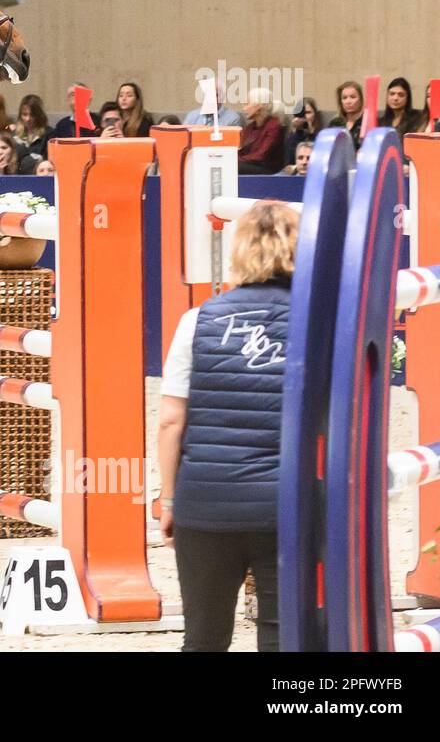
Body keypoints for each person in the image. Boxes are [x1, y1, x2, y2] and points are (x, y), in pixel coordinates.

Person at [158, 200, 298, 652]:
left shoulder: (196, 320)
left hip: (205, 501)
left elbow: (170, 419)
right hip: (287, 506)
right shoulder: (320, 323)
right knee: (282, 637)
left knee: (203, 639)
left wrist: (168, 499)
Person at [237, 89, 285, 174]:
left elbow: (261, 155)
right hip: (250, 165)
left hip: (268, 169)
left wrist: (236, 160)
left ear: (259, 106)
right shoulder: (249, 128)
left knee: (235, 166)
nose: (244, 108)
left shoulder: (274, 126)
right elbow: (242, 151)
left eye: (247, 104)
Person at [281, 97, 323, 167]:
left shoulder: (321, 135)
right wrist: (297, 132)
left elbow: (318, 158)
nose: (305, 117)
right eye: (301, 114)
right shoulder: (292, 136)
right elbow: (289, 162)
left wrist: (311, 133)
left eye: (308, 113)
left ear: (315, 114)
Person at [329, 80, 364, 150]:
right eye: (344, 98)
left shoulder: (365, 122)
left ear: (360, 100)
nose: (348, 102)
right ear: (340, 102)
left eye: (353, 97)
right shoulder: (335, 123)